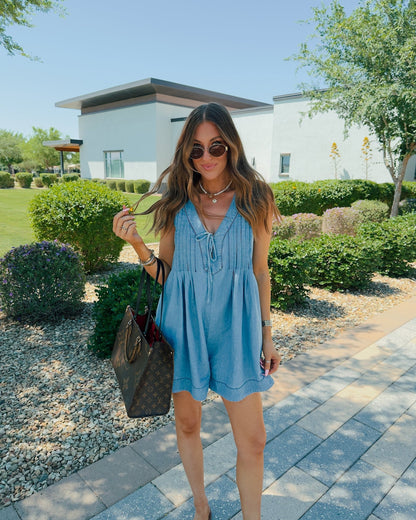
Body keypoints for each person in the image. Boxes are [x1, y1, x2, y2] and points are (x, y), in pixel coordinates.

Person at [113, 102, 281, 520]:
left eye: (216, 147)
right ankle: (201, 506)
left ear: (232, 147)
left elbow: (260, 272)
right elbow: (167, 275)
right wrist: (138, 246)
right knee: (188, 425)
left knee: (254, 440)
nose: (206, 157)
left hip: (238, 330)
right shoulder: (175, 202)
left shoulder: (256, 198)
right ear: (186, 153)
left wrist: (267, 335)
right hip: (183, 329)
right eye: (196, 149)